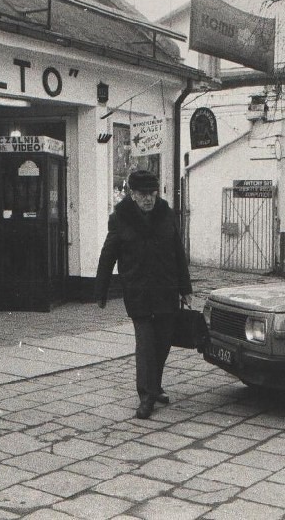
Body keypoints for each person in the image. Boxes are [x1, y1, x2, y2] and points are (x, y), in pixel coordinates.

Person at [95, 170, 192, 420]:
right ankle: (146, 396)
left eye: (152, 193)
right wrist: (101, 290)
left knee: (163, 343)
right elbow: (108, 256)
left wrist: (185, 289)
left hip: (166, 290)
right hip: (138, 293)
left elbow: (178, 254)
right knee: (146, 345)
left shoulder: (167, 215)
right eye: (142, 194)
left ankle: (155, 386)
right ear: (133, 195)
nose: (148, 199)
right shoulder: (120, 218)